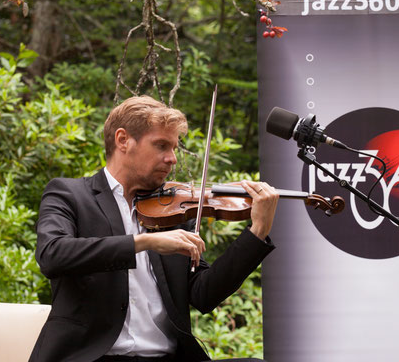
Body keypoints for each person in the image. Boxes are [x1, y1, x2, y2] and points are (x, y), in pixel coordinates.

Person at [29, 96, 279, 362]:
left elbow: (203, 294)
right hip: (93, 357)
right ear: (123, 140)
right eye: (161, 145)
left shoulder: (171, 208)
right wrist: (144, 243)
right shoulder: (70, 194)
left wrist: (257, 231)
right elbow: (52, 254)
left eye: (173, 148)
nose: (172, 159)